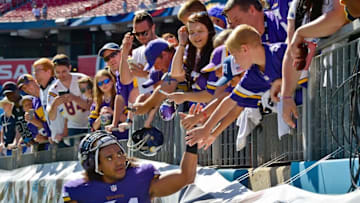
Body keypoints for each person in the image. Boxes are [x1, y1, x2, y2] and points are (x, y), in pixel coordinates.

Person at [186, 25, 287, 149]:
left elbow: (308, 69)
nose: (235, 61)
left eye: (234, 55)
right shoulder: (253, 73)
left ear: (244, 49)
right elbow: (231, 102)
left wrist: (282, 82)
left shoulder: (280, 52)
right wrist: (209, 130)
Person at [62, 130, 198, 203]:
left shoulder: (140, 177)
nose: (119, 160)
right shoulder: (79, 191)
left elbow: (186, 177)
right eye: (109, 157)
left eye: (120, 153)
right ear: (92, 164)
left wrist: (192, 140)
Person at [47, 54, 91, 146]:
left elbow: (90, 105)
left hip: (89, 122)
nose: (61, 75)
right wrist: (54, 104)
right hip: (73, 126)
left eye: (64, 71)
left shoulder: (81, 80)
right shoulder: (53, 89)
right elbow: (51, 117)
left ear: (70, 68)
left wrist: (74, 98)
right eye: (57, 72)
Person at [98, 42, 138, 133]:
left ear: (121, 52)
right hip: (138, 117)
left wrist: (129, 121)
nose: (111, 60)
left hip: (148, 115)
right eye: (107, 58)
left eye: (113, 55)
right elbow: (119, 98)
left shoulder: (131, 65)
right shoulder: (118, 73)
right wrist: (114, 123)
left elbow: (135, 95)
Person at [33, 57, 67, 144]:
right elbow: (47, 116)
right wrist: (50, 134)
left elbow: (68, 113)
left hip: (65, 137)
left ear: (48, 71)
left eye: (38, 70)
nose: (34, 73)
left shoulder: (58, 87)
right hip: (55, 137)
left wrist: (65, 133)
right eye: (34, 71)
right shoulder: (42, 90)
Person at [89, 70, 130, 140]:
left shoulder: (120, 98)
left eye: (106, 81)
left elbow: (127, 120)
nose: (104, 85)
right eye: (100, 83)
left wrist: (112, 112)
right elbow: (94, 127)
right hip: (106, 141)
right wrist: (101, 116)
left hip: (123, 138)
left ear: (112, 81)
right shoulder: (97, 103)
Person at [222, 0, 287, 43]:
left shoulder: (280, 22)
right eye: (232, 23)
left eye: (237, 20)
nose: (236, 28)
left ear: (252, 10)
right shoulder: (243, 41)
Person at [17, 74, 51, 146]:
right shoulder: (34, 102)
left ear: (35, 81)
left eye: (28, 85)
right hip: (51, 141)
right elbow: (36, 127)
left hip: (62, 135)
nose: (27, 89)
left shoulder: (48, 92)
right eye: (24, 88)